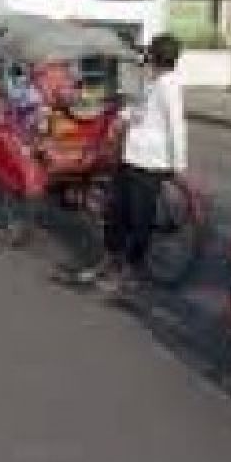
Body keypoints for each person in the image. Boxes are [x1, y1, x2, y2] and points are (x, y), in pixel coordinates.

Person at [61, 34, 187, 292]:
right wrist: (121, 117)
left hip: (151, 162)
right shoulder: (152, 81)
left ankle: (130, 271)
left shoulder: (170, 86)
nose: (146, 58)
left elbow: (176, 126)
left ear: (157, 57)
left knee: (140, 219)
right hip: (130, 155)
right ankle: (109, 260)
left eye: (150, 54)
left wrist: (178, 165)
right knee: (115, 212)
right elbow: (137, 109)